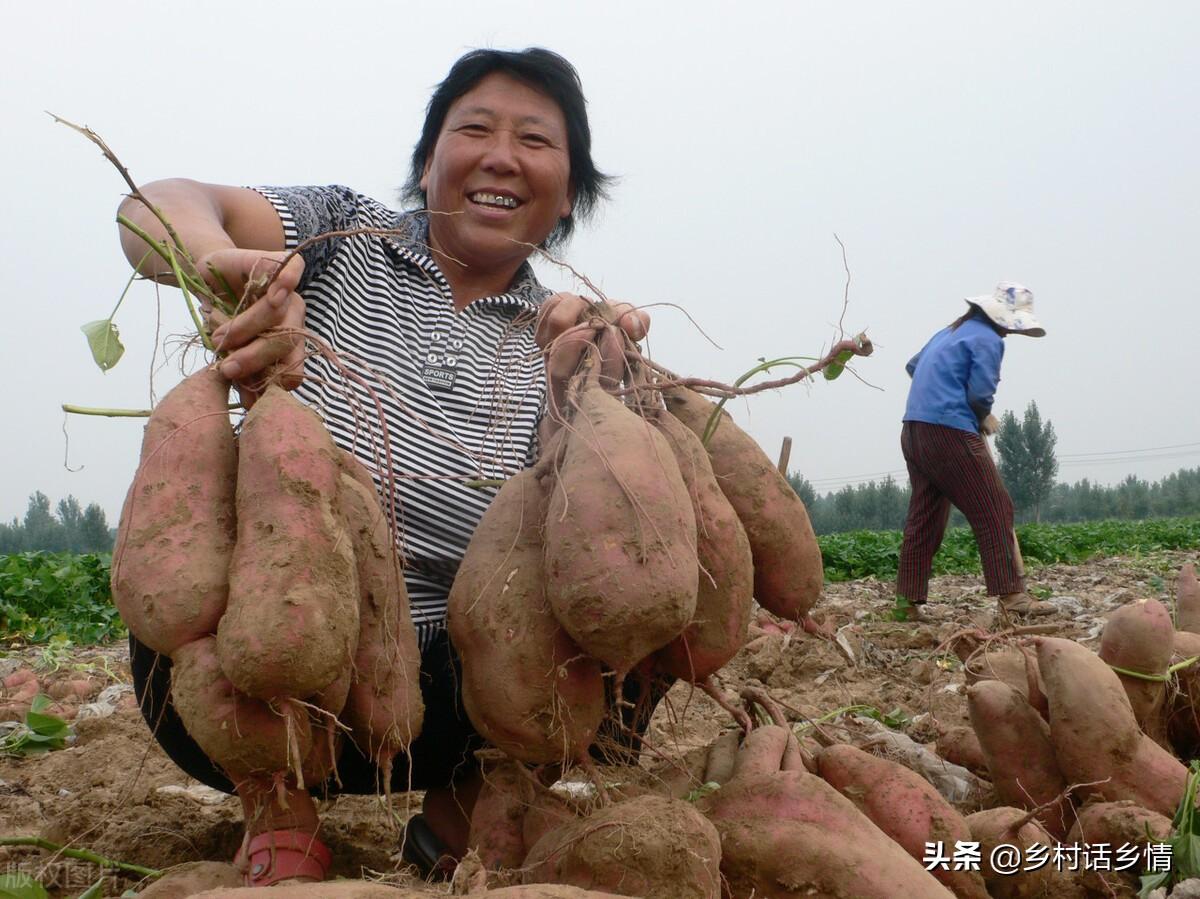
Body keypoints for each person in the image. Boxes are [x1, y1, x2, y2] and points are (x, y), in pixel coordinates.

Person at [117, 48, 652, 886]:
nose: (501, 155)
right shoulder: (341, 236)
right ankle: (277, 805)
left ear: (572, 191)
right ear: (428, 160)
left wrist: (594, 394)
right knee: (193, 582)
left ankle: (461, 817)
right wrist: (221, 263)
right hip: (285, 638)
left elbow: (586, 539)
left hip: (458, 686)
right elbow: (158, 205)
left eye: (536, 141)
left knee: (639, 597)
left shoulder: (564, 332)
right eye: (473, 129)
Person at [895, 282, 1050, 622]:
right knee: (994, 509)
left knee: (926, 517)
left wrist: (938, 391)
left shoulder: (948, 333)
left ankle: (906, 603)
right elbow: (980, 392)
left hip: (914, 429)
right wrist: (981, 414)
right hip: (950, 432)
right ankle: (1012, 596)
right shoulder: (988, 339)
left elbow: (913, 366)